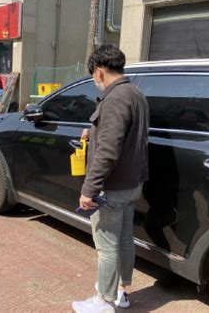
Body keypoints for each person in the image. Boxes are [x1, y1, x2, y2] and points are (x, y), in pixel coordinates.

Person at [72, 44, 149, 313]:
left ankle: (104, 301)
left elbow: (109, 150)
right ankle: (121, 292)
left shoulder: (115, 99)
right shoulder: (135, 94)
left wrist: (89, 189)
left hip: (112, 186)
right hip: (132, 183)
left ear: (100, 72)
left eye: (94, 74)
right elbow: (124, 136)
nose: (95, 79)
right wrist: (92, 131)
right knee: (125, 239)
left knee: (107, 246)